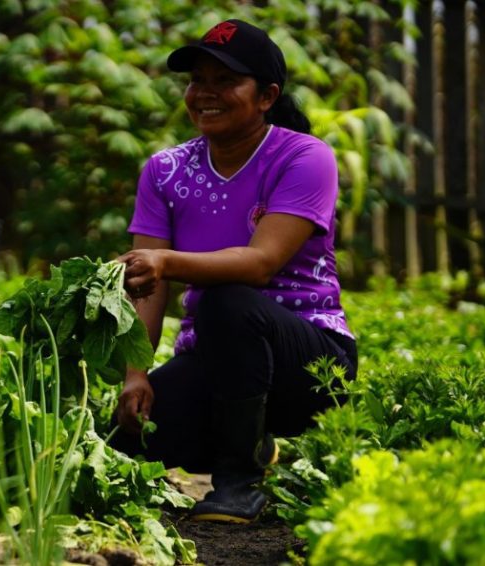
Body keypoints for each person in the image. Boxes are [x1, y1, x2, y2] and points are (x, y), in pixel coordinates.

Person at [112, 19, 358, 523]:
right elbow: (148, 288)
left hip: (311, 364)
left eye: (226, 81)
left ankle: (238, 481)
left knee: (229, 299)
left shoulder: (304, 157)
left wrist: (165, 262)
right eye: (198, 80)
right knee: (129, 436)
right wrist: (135, 375)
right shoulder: (165, 171)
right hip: (220, 359)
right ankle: (249, 438)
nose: (206, 93)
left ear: (266, 95)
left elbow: (260, 264)